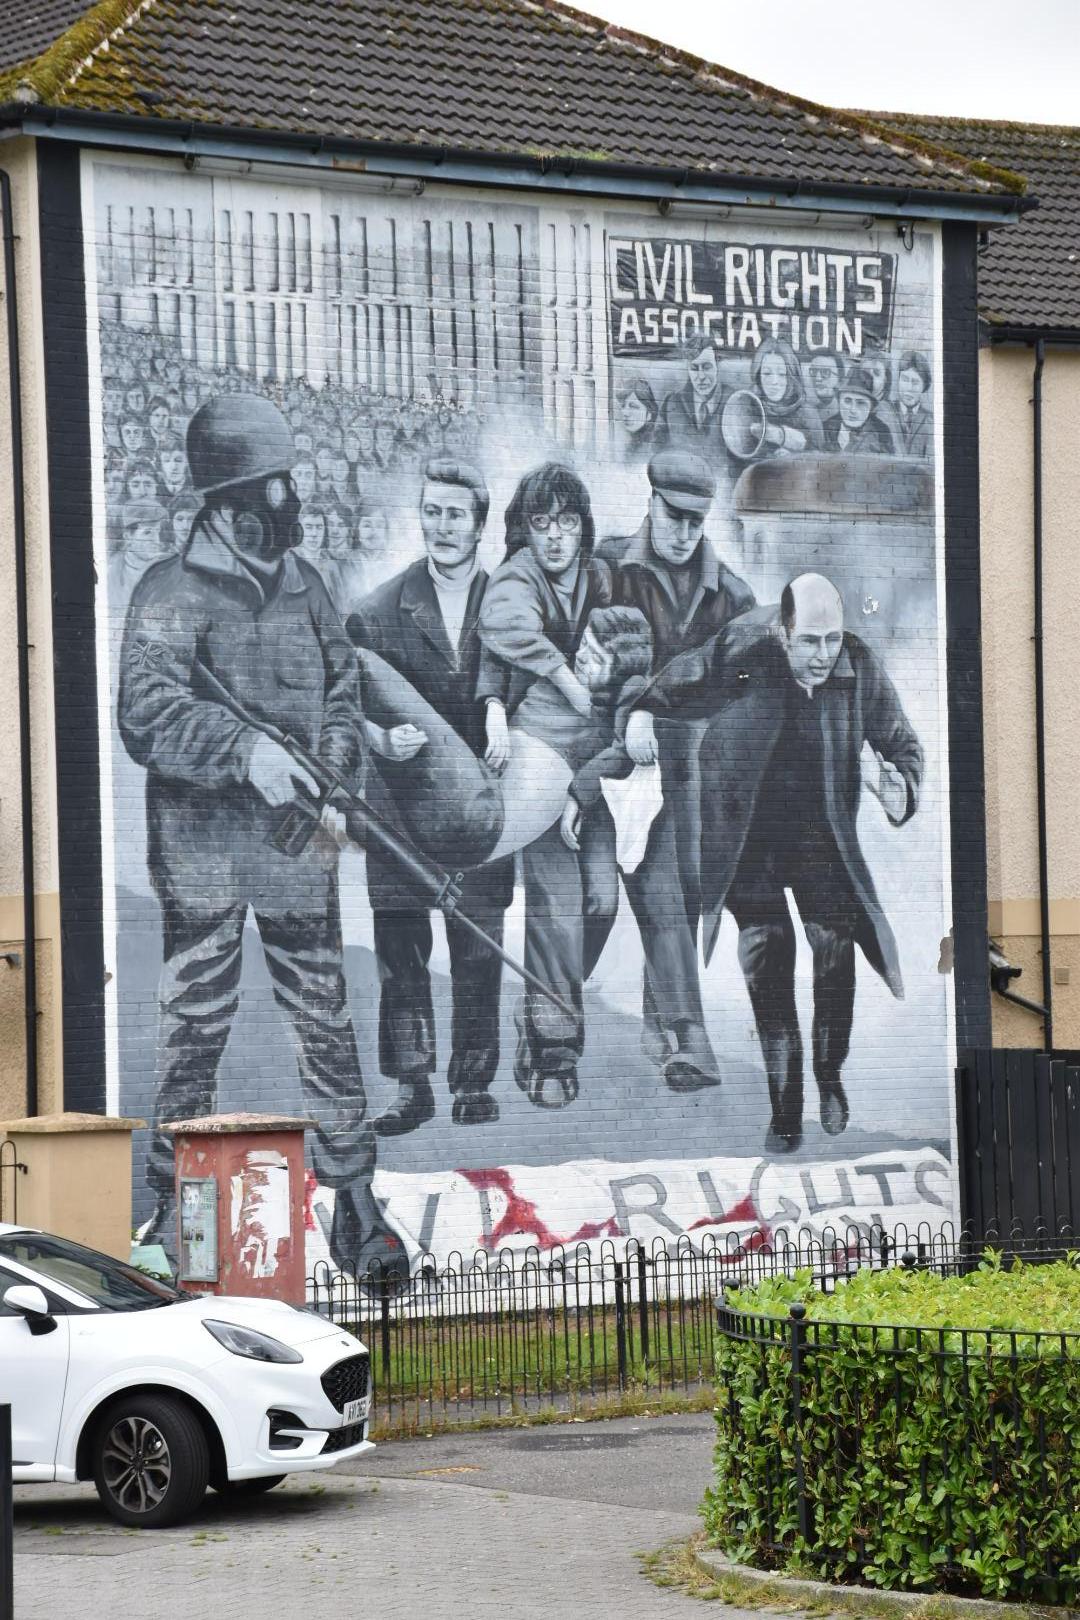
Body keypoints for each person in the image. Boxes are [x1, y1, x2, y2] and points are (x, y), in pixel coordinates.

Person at [117, 393, 403, 1274]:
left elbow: (343, 686)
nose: (293, 499)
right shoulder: (168, 592)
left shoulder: (304, 585)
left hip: (297, 851)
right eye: (278, 485)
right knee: (193, 1026)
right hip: (206, 860)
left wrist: (332, 762)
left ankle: (354, 1201)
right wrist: (244, 750)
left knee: (324, 1017)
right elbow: (146, 711)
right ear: (236, 497)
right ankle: (161, 1211)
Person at [628, 573, 923, 1154]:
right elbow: (684, 675)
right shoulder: (744, 648)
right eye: (809, 641)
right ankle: (786, 1109)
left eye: (832, 639)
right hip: (749, 839)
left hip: (820, 839)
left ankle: (830, 1075)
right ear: (782, 632)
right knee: (769, 963)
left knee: (835, 955)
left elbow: (903, 743)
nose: (822, 655)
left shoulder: (856, 667)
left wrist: (901, 791)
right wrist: (643, 711)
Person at [348, 459, 515, 1134]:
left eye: (456, 514)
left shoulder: (510, 605)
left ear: (480, 523)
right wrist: (380, 743)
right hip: (397, 808)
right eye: (433, 512)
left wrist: (503, 713)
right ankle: (412, 1085)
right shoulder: (376, 612)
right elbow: (337, 705)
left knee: (477, 945)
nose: (443, 527)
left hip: (480, 812)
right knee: (402, 950)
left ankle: (473, 1082)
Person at [601, 449, 755, 1091]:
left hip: (696, 768)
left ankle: (659, 1022)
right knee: (661, 891)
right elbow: (592, 659)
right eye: (675, 517)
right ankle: (688, 1039)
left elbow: (746, 688)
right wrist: (633, 708)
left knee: (688, 893)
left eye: (698, 521)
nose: (686, 533)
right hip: (620, 759)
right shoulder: (609, 568)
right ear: (651, 502)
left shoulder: (733, 594)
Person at [479, 462, 612, 1107]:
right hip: (538, 756)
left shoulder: (602, 579)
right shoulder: (515, 579)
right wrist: (552, 684)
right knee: (558, 902)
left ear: (584, 526)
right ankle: (555, 1051)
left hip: (598, 767)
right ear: (524, 531)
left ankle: (544, 999)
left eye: (566, 521)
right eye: (541, 523)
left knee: (601, 903)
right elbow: (501, 636)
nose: (555, 536)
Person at [651, 333, 729, 468]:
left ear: (717, 366)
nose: (701, 376)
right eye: (694, 368)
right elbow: (656, 453)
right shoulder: (671, 404)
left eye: (706, 367)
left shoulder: (735, 400)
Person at [747, 336, 825, 455]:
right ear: (758, 376)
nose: (774, 381)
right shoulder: (750, 408)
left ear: (791, 376)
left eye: (782, 374)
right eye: (767, 373)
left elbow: (820, 462)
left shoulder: (808, 414)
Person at [823, 364, 897, 455]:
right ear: (839, 402)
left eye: (861, 403)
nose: (853, 410)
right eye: (847, 401)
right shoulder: (826, 428)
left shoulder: (881, 434)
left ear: (871, 407)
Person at [894, 350, 933, 458]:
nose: (909, 388)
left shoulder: (931, 421)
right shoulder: (885, 412)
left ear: (924, 386)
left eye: (915, 382)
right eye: (905, 380)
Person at [615, 374, 659, 465]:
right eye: (623, 406)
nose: (625, 413)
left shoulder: (652, 448)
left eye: (633, 407)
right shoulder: (632, 444)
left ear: (649, 414)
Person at [804, 352, 843, 428]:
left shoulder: (842, 416)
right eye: (814, 371)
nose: (818, 378)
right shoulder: (804, 411)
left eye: (825, 372)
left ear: (839, 380)